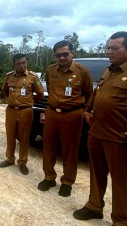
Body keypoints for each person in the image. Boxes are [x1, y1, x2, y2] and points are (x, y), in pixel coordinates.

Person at [73, 31, 127, 225]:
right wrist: (87, 110)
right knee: (96, 173)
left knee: (122, 181)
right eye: (108, 47)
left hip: (121, 138)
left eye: (114, 48)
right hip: (97, 133)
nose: (109, 51)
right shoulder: (109, 70)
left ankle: (120, 220)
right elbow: (97, 93)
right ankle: (94, 206)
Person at [37, 41, 93, 197]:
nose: (62, 57)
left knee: (70, 149)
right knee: (49, 147)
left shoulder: (82, 72)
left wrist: (86, 111)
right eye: (58, 55)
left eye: (65, 54)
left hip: (72, 115)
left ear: (72, 53)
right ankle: (49, 177)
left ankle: (67, 181)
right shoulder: (50, 70)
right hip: (52, 113)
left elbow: (89, 95)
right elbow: (49, 87)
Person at [0, 53, 44, 175]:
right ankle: (9, 158)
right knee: (10, 135)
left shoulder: (33, 77)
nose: (22, 65)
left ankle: (22, 162)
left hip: (26, 111)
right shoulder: (9, 77)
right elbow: (5, 91)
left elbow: (40, 94)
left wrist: (28, 102)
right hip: (11, 110)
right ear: (14, 64)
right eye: (19, 63)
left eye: (24, 62)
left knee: (24, 136)